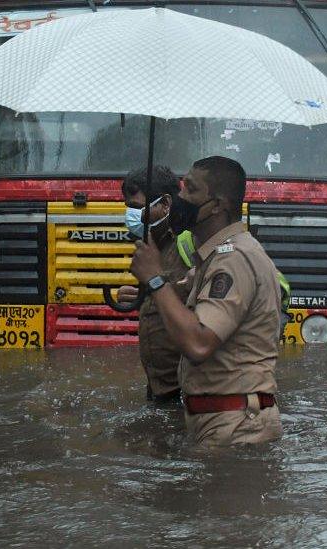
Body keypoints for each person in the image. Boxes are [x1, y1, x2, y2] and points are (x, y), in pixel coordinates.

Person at [129, 156, 283, 446]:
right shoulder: (214, 256)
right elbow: (180, 295)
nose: (180, 198)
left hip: (236, 428)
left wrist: (154, 280)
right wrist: (151, 287)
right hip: (222, 421)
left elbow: (199, 343)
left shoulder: (233, 260)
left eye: (191, 190)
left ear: (217, 205)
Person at [117, 166, 191, 403]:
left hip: (189, 387)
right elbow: (166, 302)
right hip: (160, 386)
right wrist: (141, 296)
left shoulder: (189, 241)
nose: (132, 216)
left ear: (166, 203)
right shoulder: (150, 247)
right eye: (128, 208)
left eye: (138, 208)